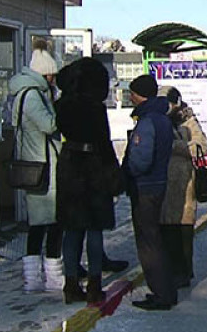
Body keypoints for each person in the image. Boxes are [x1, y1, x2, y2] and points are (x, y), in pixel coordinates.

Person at [54, 57, 123, 304]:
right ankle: (94, 284)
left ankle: (70, 284)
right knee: (95, 228)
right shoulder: (95, 108)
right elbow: (103, 142)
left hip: (69, 163)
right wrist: (114, 172)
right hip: (93, 167)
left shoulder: (62, 105)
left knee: (72, 230)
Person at [9, 41, 63, 293]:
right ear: (44, 73)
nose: (54, 79)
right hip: (43, 167)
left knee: (40, 223)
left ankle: (35, 277)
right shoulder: (33, 95)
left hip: (36, 164)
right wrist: (60, 111)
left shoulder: (26, 92)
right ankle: (50, 277)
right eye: (51, 74)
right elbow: (48, 125)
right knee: (49, 223)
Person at [122, 75, 177, 310]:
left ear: (140, 94)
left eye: (132, 93)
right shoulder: (162, 117)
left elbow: (140, 159)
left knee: (148, 241)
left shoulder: (147, 121)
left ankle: (161, 292)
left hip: (145, 186)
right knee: (155, 238)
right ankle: (166, 288)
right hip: (158, 183)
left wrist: (128, 173)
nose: (130, 97)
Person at [158, 87, 207, 288]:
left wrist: (174, 146)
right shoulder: (157, 120)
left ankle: (184, 271)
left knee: (183, 231)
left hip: (184, 182)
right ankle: (169, 270)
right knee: (165, 230)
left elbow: (201, 146)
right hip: (162, 183)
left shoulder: (188, 120)